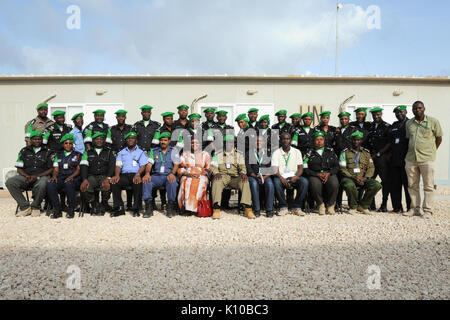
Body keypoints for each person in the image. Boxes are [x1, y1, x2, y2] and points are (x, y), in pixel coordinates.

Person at [403, 101, 443, 219]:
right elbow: (408, 139)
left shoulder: (433, 121)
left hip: (427, 159)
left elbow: (439, 138)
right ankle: (414, 209)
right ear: (412, 110)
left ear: (424, 109)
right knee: (412, 185)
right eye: (415, 109)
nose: (417, 110)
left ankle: (428, 210)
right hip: (411, 158)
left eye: (419, 108)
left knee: (428, 186)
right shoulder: (409, 123)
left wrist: (432, 151)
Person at [6, 131, 53, 217]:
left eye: (39, 139)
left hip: (41, 176)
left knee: (43, 183)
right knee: (10, 182)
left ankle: (35, 207)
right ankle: (25, 207)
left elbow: (51, 169)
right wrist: (26, 176)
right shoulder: (24, 150)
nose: (37, 141)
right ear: (31, 140)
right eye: (35, 139)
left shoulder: (48, 151)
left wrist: (37, 176)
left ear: (42, 139)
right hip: (26, 176)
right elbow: (19, 167)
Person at [210, 135, 254, 220]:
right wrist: (216, 173)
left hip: (235, 177)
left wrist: (243, 173)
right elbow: (212, 166)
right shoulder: (218, 154)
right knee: (216, 181)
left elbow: (243, 167)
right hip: (223, 176)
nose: (229, 144)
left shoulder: (239, 155)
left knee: (245, 181)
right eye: (227, 142)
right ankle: (216, 208)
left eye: (231, 142)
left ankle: (247, 208)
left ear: (234, 144)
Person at [339, 131, 381, 215]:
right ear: (351, 140)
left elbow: (371, 167)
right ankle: (353, 207)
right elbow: (342, 168)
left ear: (361, 141)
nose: (356, 142)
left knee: (376, 185)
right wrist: (353, 177)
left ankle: (363, 206)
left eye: (358, 140)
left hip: (363, 178)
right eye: (354, 140)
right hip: (349, 178)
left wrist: (365, 178)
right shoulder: (345, 152)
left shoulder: (366, 153)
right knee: (349, 185)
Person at [142, 132, 180, 218]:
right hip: (157, 176)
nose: (163, 142)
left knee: (172, 182)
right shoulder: (154, 151)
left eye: (165, 140)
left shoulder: (174, 151)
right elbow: (149, 164)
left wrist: (172, 173)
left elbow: (176, 164)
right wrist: (147, 173)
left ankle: (170, 207)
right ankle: (148, 208)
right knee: (146, 181)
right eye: (161, 140)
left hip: (168, 175)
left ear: (169, 141)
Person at [110, 132, 148, 217]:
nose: (130, 140)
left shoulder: (141, 152)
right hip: (125, 175)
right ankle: (119, 208)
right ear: (126, 140)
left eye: (132, 138)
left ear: (136, 140)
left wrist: (138, 174)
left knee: (137, 183)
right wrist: (117, 175)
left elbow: (143, 165)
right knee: (114, 183)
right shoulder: (121, 152)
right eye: (128, 138)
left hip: (136, 174)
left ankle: (136, 209)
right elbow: (118, 165)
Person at [272, 132, 309, 216]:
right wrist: (281, 178)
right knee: (276, 182)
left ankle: (296, 207)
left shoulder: (296, 152)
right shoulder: (276, 153)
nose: (286, 141)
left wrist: (296, 177)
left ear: (290, 140)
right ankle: (283, 207)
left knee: (304, 182)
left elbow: (300, 168)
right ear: (281, 141)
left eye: (288, 139)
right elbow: (274, 169)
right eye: (283, 139)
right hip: (281, 177)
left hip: (293, 176)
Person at [383, 106, 411, 214]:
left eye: (401, 112)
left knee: (408, 185)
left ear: (406, 112)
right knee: (395, 185)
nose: (399, 114)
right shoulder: (394, 125)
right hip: (394, 160)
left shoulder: (410, 124)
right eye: (397, 112)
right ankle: (397, 207)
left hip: (406, 159)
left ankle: (410, 207)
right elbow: (390, 141)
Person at [303, 132, 340, 215]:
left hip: (328, 174)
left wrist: (329, 173)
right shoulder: (309, 153)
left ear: (324, 141)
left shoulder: (330, 151)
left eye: (321, 139)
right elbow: (305, 168)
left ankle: (330, 205)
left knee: (334, 183)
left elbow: (336, 166)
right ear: (314, 141)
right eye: (317, 139)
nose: (319, 141)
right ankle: (320, 204)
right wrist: (316, 174)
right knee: (314, 184)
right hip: (314, 174)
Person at [46, 134, 82, 219]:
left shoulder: (78, 155)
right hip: (61, 176)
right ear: (63, 144)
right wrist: (54, 176)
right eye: (66, 143)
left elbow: (78, 169)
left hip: (74, 177)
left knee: (69, 183)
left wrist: (71, 177)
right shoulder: (58, 155)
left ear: (73, 144)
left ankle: (71, 209)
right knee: (50, 184)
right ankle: (57, 209)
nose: (68, 145)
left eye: (70, 143)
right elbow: (56, 168)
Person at [79, 132, 116, 216]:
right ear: (93, 140)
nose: (99, 141)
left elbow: (112, 166)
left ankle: (104, 203)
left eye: (101, 139)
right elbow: (84, 166)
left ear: (104, 141)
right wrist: (84, 179)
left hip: (104, 176)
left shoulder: (109, 152)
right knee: (87, 186)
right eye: (97, 139)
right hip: (92, 175)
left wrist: (108, 178)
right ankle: (94, 204)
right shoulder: (87, 152)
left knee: (107, 186)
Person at [177, 137, 211, 216]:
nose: (194, 144)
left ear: (200, 144)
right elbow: (180, 168)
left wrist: (200, 173)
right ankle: (185, 209)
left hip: (201, 175)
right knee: (185, 182)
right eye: (192, 142)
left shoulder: (205, 154)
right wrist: (187, 173)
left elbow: (208, 169)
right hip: (187, 174)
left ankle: (197, 208)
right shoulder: (184, 154)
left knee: (201, 182)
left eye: (196, 143)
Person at [367, 107, 391, 212]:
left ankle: (384, 204)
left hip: (382, 158)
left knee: (385, 181)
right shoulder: (370, 126)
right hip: (371, 158)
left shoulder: (386, 126)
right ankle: (371, 204)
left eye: (378, 114)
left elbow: (389, 143)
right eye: (374, 115)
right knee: (370, 180)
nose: (376, 116)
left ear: (381, 114)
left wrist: (378, 154)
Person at [246, 135, 275, 218]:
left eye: (261, 141)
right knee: (254, 184)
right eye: (256, 141)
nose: (259, 142)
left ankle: (269, 209)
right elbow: (248, 168)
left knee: (270, 184)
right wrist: (255, 177)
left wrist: (264, 177)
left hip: (266, 176)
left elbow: (272, 168)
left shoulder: (269, 153)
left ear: (264, 142)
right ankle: (256, 209)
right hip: (253, 176)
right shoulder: (249, 153)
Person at [111, 109, 134, 211]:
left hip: (127, 155)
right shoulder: (112, 129)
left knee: (128, 176)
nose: (121, 118)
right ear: (116, 118)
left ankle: (129, 203)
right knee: (118, 178)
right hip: (116, 156)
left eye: (123, 116)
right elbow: (109, 143)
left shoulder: (130, 128)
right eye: (119, 116)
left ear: (125, 117)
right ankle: (119, 203)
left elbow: (133, 141)